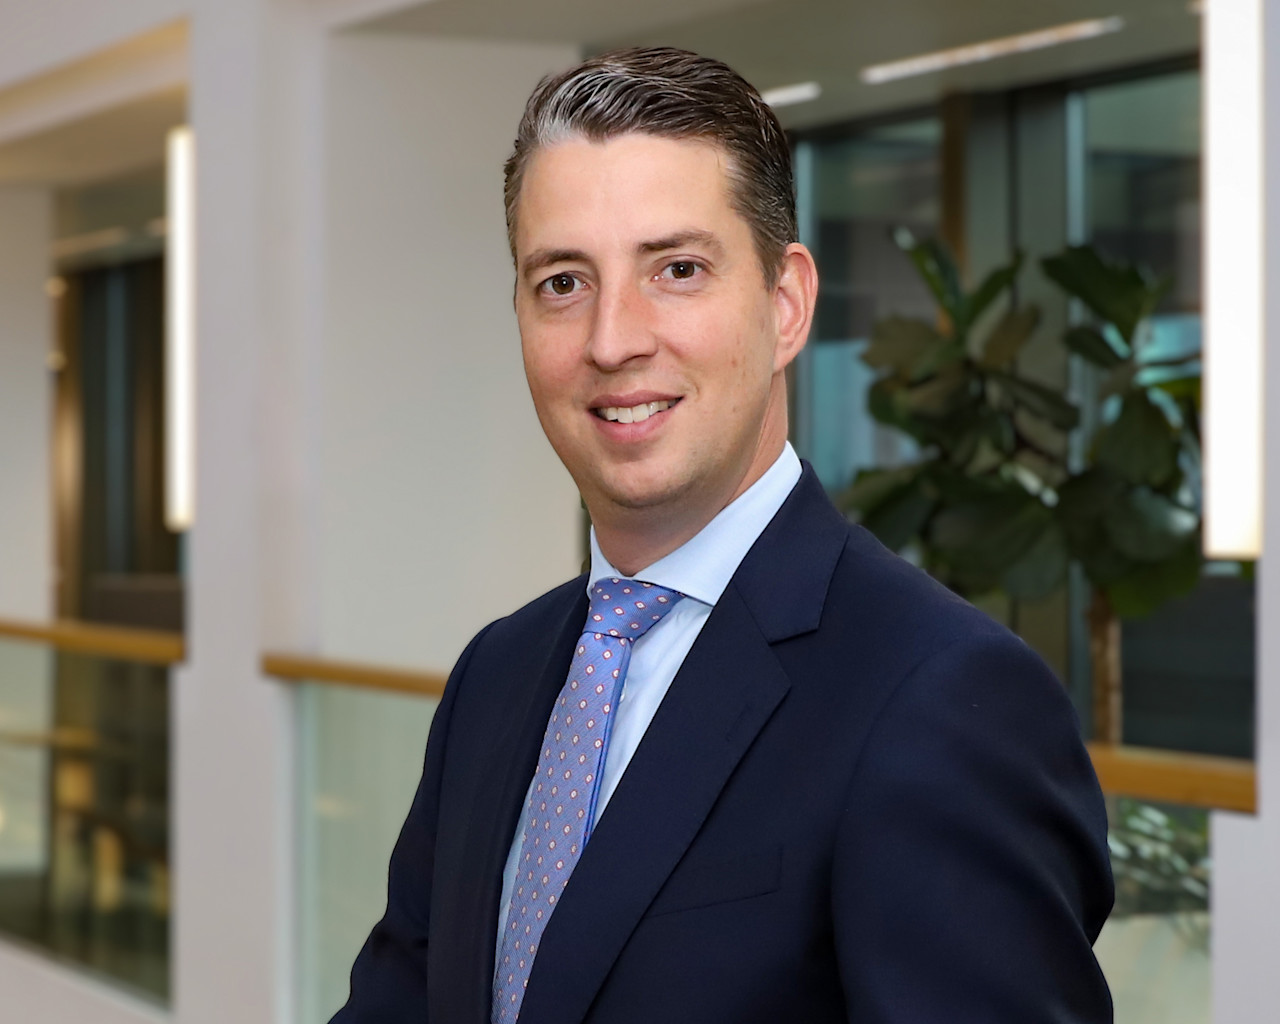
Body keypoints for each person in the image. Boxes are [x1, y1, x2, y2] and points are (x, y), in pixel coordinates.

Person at [331, 47, 1113, 1024]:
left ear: (785, 305)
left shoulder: (940, 697)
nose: (613, 339)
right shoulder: (495, 676)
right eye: (563, 282)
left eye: (677, 269)